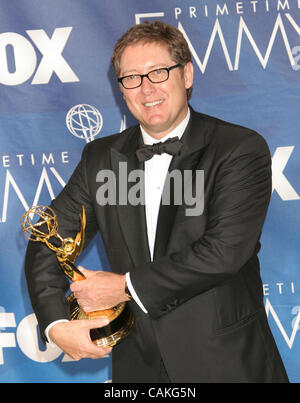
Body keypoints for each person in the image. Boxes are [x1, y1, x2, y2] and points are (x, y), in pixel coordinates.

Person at [25, 20, 289, 383]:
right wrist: (56, 324)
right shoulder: (101, 158)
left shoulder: (238, 149)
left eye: (159, 72)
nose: (146, 89)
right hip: (138, 367)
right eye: (132, 78)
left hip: (228, 363)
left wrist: (123, 286)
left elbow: (223, 252)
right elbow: (48, 240)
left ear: (187, 75)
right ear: (121, 88)